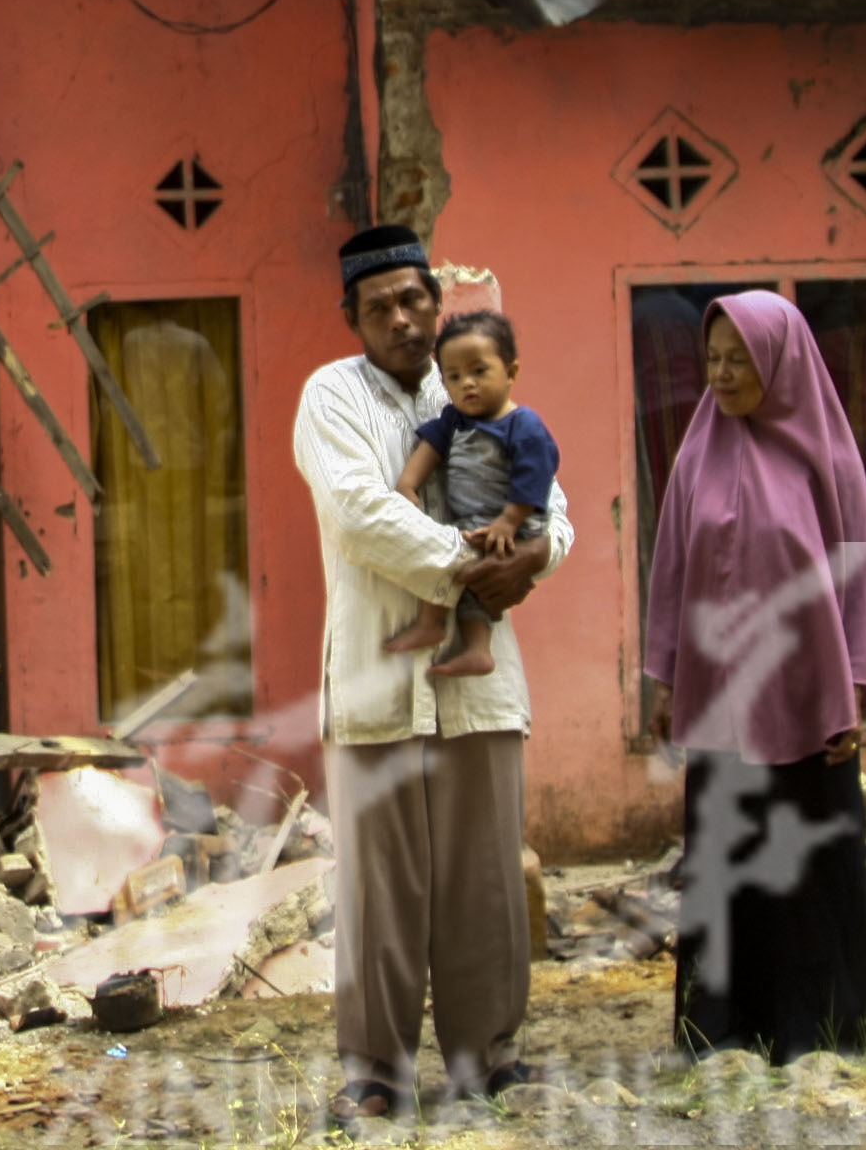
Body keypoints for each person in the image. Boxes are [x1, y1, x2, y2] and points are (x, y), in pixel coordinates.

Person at [293, 226, 571, 1122]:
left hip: (478, 680)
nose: (404, 319)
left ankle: (486, 1057)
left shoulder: (481, 383)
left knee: (484, 877)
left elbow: (551, 502)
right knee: (380, 887)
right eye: (380, 308)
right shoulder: (330, 396)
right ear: (352, 318)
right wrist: (475, 568)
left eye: (416, 299)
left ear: (436, 302)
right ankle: (374, 1071)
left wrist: (539, 554)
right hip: (379, 673)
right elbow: (362, 514)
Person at [642, 290, 866, 1064]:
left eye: (737, 361)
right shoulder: (697, 453)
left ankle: (819, 1027)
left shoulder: (827, 456)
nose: (719, 375)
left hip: (806, 697)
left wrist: (854, 681)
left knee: (810, 867)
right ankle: (721, 1025)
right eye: (710, 360)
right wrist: (665, 675)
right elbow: (671, 569)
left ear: (779, 363)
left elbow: (859, 573)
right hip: (721, 696)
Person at [379, 310, 559, 678]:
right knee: (461, 569)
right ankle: (461, 639)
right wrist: (407, 484)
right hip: (475, 521)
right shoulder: (455, 420)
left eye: (479, 371)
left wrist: (509, 521)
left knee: (460, 565)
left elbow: (535, 475)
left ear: (511, 373)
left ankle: (450, 633)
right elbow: (431, 448)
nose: (467, 384)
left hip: (513, 522)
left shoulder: (522, 425)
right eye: (454, 377)